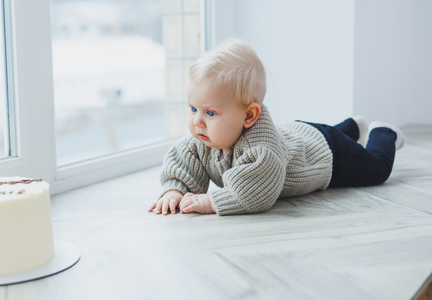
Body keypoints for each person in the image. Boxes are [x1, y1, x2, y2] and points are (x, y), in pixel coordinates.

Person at [148, 38, 406, 216]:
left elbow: (257, 193)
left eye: (210, 112)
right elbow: (183, 159)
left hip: (329, 155)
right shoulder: (204, 135)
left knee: (377, 170)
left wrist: (211, 201)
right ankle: (351, 128)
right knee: (330, 133)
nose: (197, 121)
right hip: (301, 133)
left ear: (249, 116)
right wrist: (174, 189)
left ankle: (383, 133)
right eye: (193, 109)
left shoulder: (262, 151)